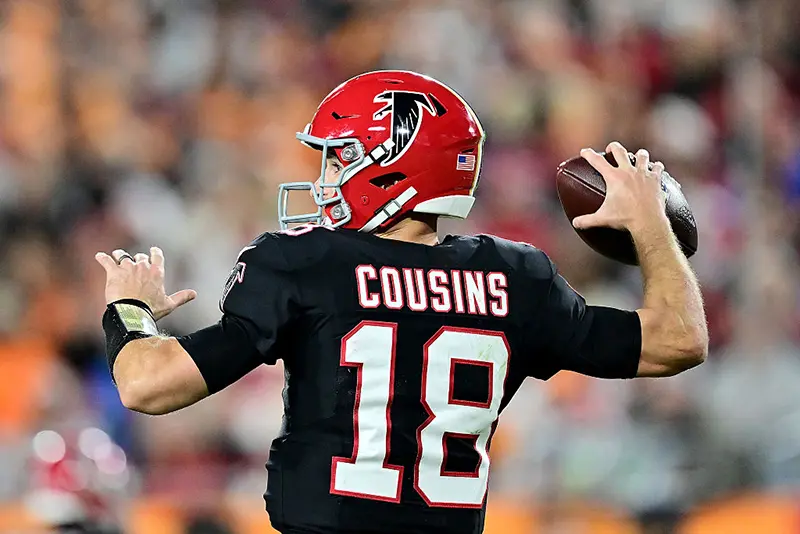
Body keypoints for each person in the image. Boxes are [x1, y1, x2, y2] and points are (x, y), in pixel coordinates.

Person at [96, 71, 707, 534]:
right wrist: (651, 226)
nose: (325, 179)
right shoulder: (517, 278)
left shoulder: (305, 263)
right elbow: (679, 339)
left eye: (340, 157)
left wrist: (129, 307)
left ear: (393, 165)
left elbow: (149, 386)